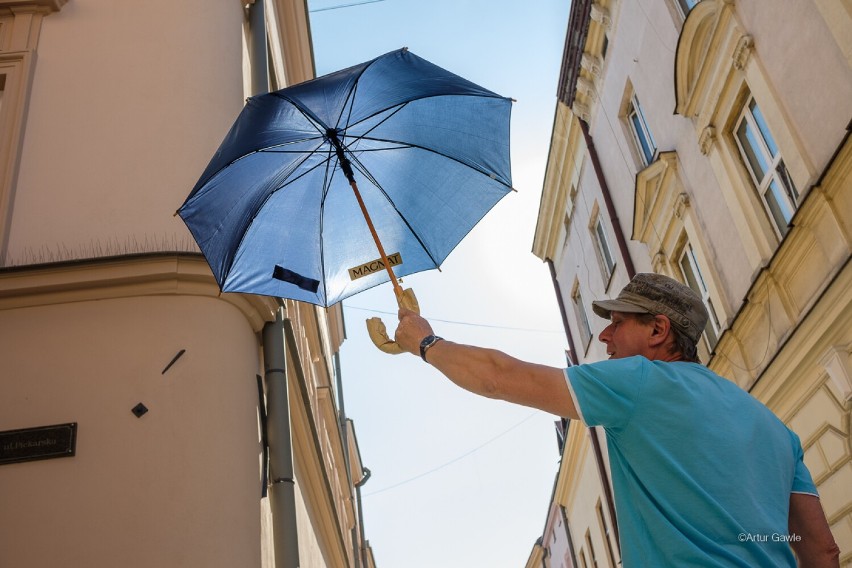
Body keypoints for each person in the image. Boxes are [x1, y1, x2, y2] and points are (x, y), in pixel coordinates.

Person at [393, 273, 840, 567]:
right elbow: (821, 549)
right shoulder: (776, 429)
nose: (604, 335)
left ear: (658, 331)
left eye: (618, 322)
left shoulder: (640, 381)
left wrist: (426, 342)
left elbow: (499, 377)